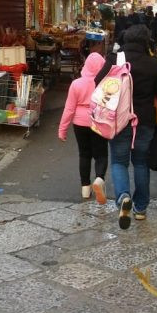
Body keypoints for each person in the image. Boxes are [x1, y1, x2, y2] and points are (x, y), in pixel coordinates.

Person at [94, 24, 157, 229]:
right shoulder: (153, 63)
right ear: (146, 41)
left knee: (119, 162)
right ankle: (141, 208)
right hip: (145, 122)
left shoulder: (114, 59)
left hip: (118, 120)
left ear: (126, 39)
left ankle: (123, 197)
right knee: (141, 163)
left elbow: (97, 82)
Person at [58, 52, 108, 204]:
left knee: (84, 154)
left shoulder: (76, 84)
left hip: (80, 123)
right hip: (99, 121)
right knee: (101, 154)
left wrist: (62, 129)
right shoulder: (105, 83)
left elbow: (69, 108)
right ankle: (99, 179)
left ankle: (85, 188)